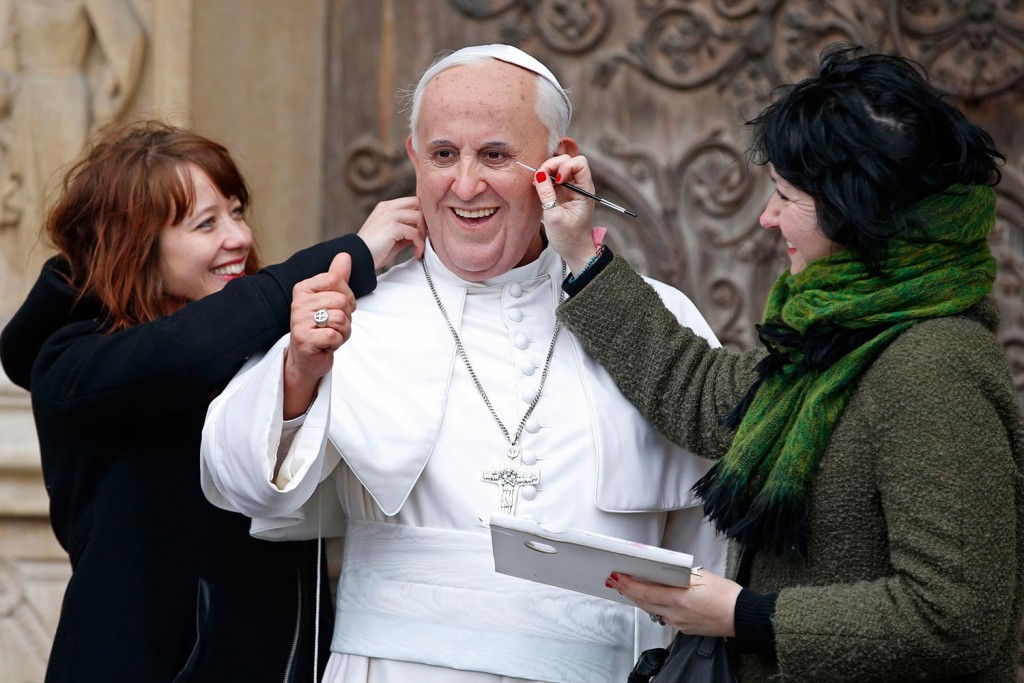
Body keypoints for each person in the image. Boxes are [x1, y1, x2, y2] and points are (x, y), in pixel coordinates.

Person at [200, 44, 727, 683]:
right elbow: (241, 486)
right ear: (414, 158)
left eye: (496, 154)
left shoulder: (655, 320)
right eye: (444, 154)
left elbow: (709, 544)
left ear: (559, 164)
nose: (466, 184)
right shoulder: (354, 320)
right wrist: (297, 376)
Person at [535, 45, 1024, 682]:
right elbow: (706, 395)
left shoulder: (933, 367)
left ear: (856, 210)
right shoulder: (841, 339)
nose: (767, 217)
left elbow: (954, 618)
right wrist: (580, 255)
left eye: (785, 197)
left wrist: (744, 614)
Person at [0, 120, 425, 682]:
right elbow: (181, 353)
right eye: (206, 224)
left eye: (237, 211)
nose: (239, 238)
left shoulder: (259, 345)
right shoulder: (74, 365)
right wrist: (351, 256)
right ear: (137, 248)